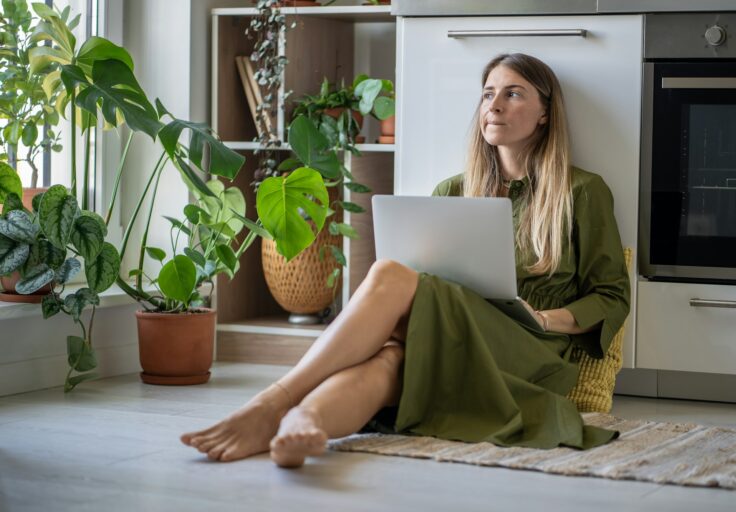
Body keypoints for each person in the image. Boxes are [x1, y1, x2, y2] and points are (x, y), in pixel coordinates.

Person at [181, 53, 630, 468]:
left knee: (389, 275)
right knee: (390, 362)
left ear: (546, 113)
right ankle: (306, 421)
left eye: (513, 94)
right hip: (452, 332)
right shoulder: (452, 192)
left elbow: (611, 295)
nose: (494, 105)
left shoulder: (582, 192)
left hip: (527, 349)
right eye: (488, 94)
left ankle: (271, 403)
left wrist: (547, 320)